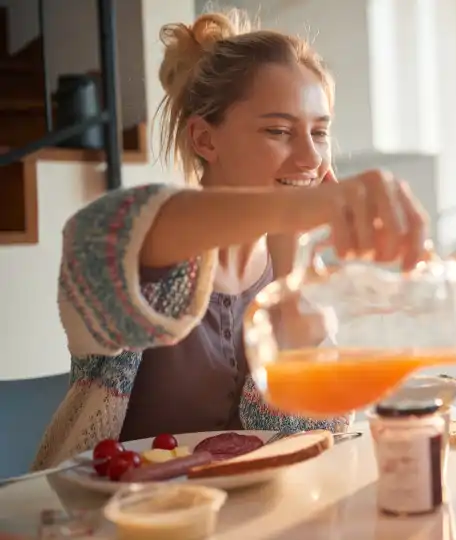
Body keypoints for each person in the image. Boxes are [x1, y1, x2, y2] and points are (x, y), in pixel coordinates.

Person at [31, 10, 428, 470]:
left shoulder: (296, 273)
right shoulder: (151, 257)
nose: (310, 157)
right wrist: (297, 207)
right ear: (204, 139)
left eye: (319, 132)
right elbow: (98, 233)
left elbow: (314, 445)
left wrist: (290, 278)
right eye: (279, 131)